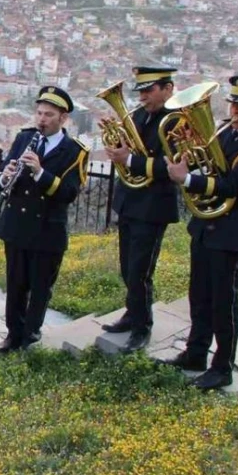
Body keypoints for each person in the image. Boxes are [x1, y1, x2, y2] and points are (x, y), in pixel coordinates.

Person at [164, 76, 238, 391]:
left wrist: (188, 181)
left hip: (233, 232)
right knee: (199, 296)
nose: (236, 110)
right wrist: (184, 146)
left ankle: (223, 367)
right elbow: (206, 163)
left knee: (223, 302)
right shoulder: (225, 131)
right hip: (205, 228)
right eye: (233, 103)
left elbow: (237, 185)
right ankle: (195, 353)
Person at [0, 87, 90, 353]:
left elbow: (69, 193)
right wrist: (5, 176)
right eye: (39, 113)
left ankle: (30, 334)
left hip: (47, 230)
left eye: (49, 114)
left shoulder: (75, 151)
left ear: (63, 118)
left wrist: (40, 172)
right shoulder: (25, 138)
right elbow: (4, 174)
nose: (42, 119)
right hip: (16, 225)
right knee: (15, 285)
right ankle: (13, 334)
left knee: (40, 287)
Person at [103, 65, 181, 353]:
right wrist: (115, 146)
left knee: (140, 270)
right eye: (142, 91)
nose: (144, 96)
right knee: (126, 266)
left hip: (153, 206)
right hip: (129, 201)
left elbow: (174, 165)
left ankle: (142, 326)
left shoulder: (177, 121)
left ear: (168, 89)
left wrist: (131, 160)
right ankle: (131, 312)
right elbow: (125, 153)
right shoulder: (136, 116)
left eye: (149, 90)